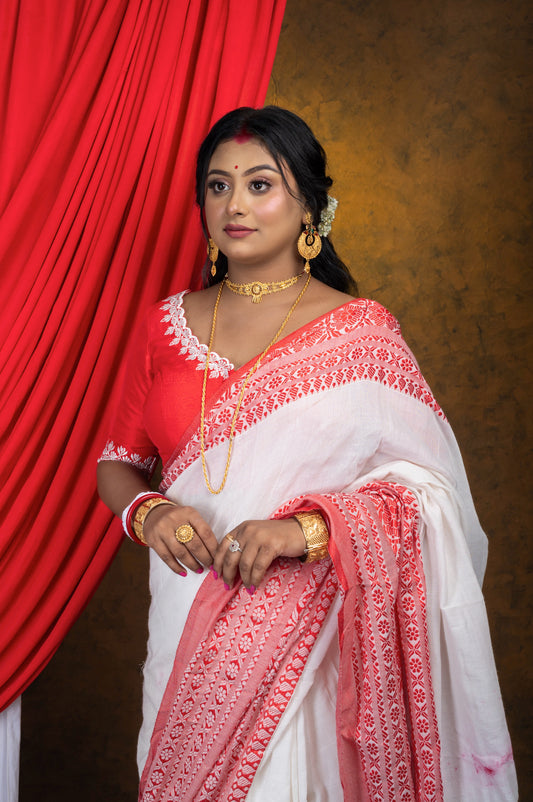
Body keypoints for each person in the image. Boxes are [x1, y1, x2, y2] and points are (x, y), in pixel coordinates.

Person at [97, 106, 517, 801]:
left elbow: (433, 493)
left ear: (310, 209)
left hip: (317, 636)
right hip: (186, 621)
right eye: (217, 185)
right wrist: (149, 512)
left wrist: (307, 531)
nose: (234, 204)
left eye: (260, 184)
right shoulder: (163, 326)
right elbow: (118, 459)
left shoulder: (361, 335)